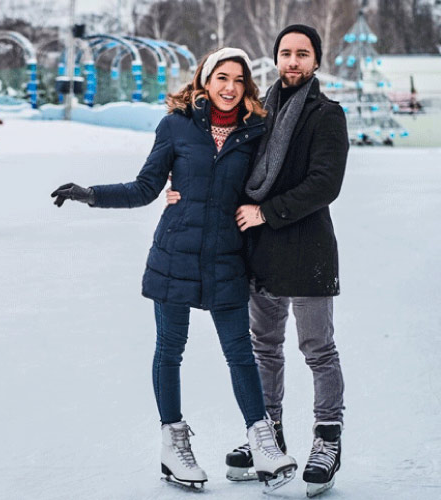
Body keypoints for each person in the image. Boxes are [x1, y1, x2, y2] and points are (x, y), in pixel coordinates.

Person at [51, 48, 297, 492]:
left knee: (239, 351)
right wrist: (91, 194)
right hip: (175, 254)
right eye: (221, 77)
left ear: (247, 87)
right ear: (204, 80)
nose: (229, 88)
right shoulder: (176, 125)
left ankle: (261, 440)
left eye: (238, 80)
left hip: (227, 257)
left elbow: (268, 185)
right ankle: (173, 445)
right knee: (170, 350)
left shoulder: (256, 130)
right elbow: (146, 187)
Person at [166, 25, 348, 498]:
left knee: (318, 350)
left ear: (315, 61)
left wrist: (267, 211)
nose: (293, 61)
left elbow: (325, 183)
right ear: (276, 59)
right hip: (261, 252)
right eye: (286, 53)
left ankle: (327, 438)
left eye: (302, 54)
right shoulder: (259, 115)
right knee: (264, 349)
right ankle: (270, 436)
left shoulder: (327, 114)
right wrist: (185, 191)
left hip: (306, 249)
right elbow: (224, 164)